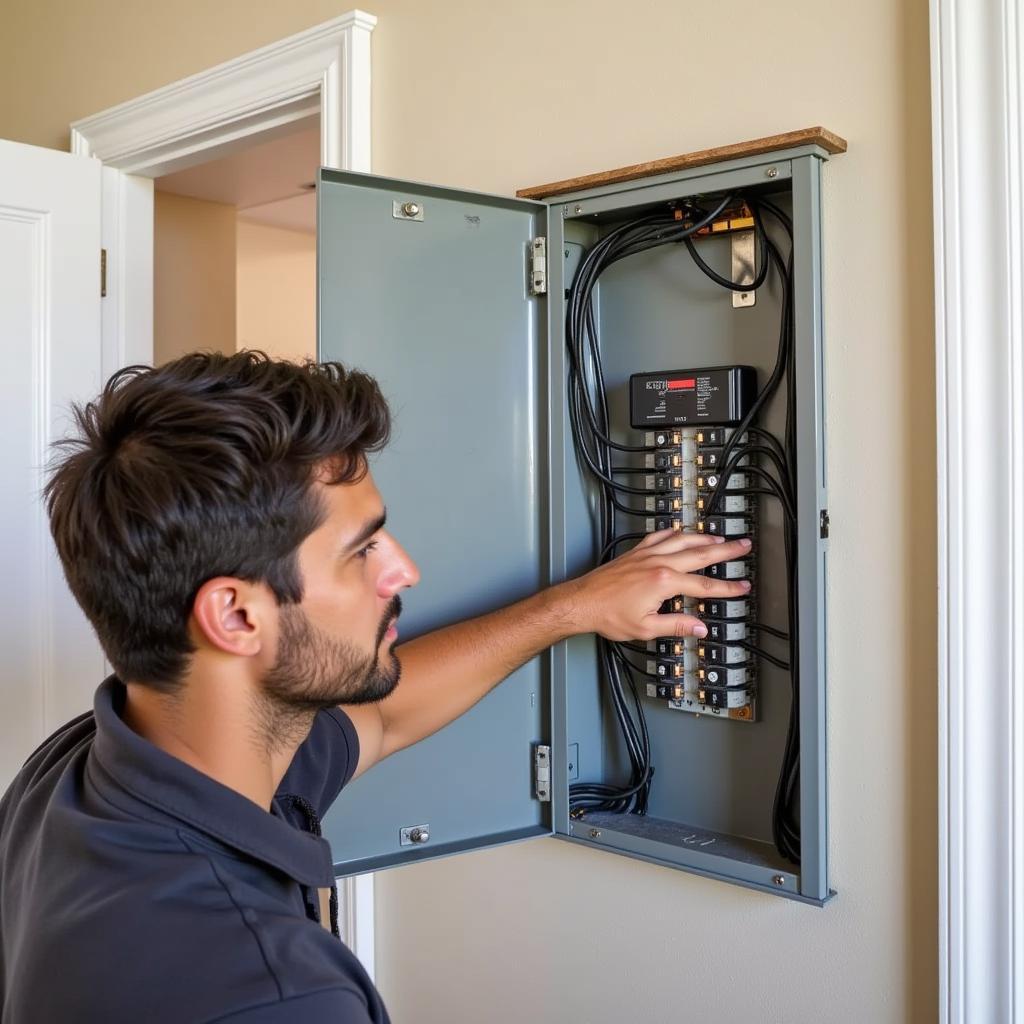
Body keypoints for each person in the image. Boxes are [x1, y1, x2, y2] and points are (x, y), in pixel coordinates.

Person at [0, 351, 752, 1023]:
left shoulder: (82, 773)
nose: (403, 572)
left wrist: (571, 608)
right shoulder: (268, 991)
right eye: (361, 551)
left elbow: (383, 716)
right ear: (234, 615)